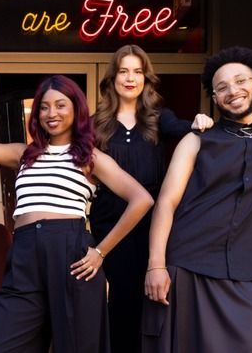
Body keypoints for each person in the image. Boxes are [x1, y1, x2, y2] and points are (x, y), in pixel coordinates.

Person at [0, 55, 153, 352]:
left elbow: (141, 199)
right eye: (44, 107)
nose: (50, 113)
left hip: (71, 253)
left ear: (76, 110)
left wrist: (101, 251)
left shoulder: (89, 158)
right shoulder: (24, 154)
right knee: (0, 346)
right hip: (25, 252)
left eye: (60, 105)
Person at [142, 46, 252, 352]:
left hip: (240, 273)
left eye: (240, 81)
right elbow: (166, 203)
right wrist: (156, 265)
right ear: (214, 98)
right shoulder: (197, 140)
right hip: (187, 267)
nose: (232, 91)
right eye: (222, 87)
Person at [89, 45, 212, 353]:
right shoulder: (95, 123)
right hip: (111, 225)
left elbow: (188, 130)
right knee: (122, 297)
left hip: (152, 225)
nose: (130, 78)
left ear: (146, 78)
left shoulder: (159, 117)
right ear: (113, 78)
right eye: (123, 71)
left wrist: (200, 121)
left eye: (137, 72)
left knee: (153, 299)